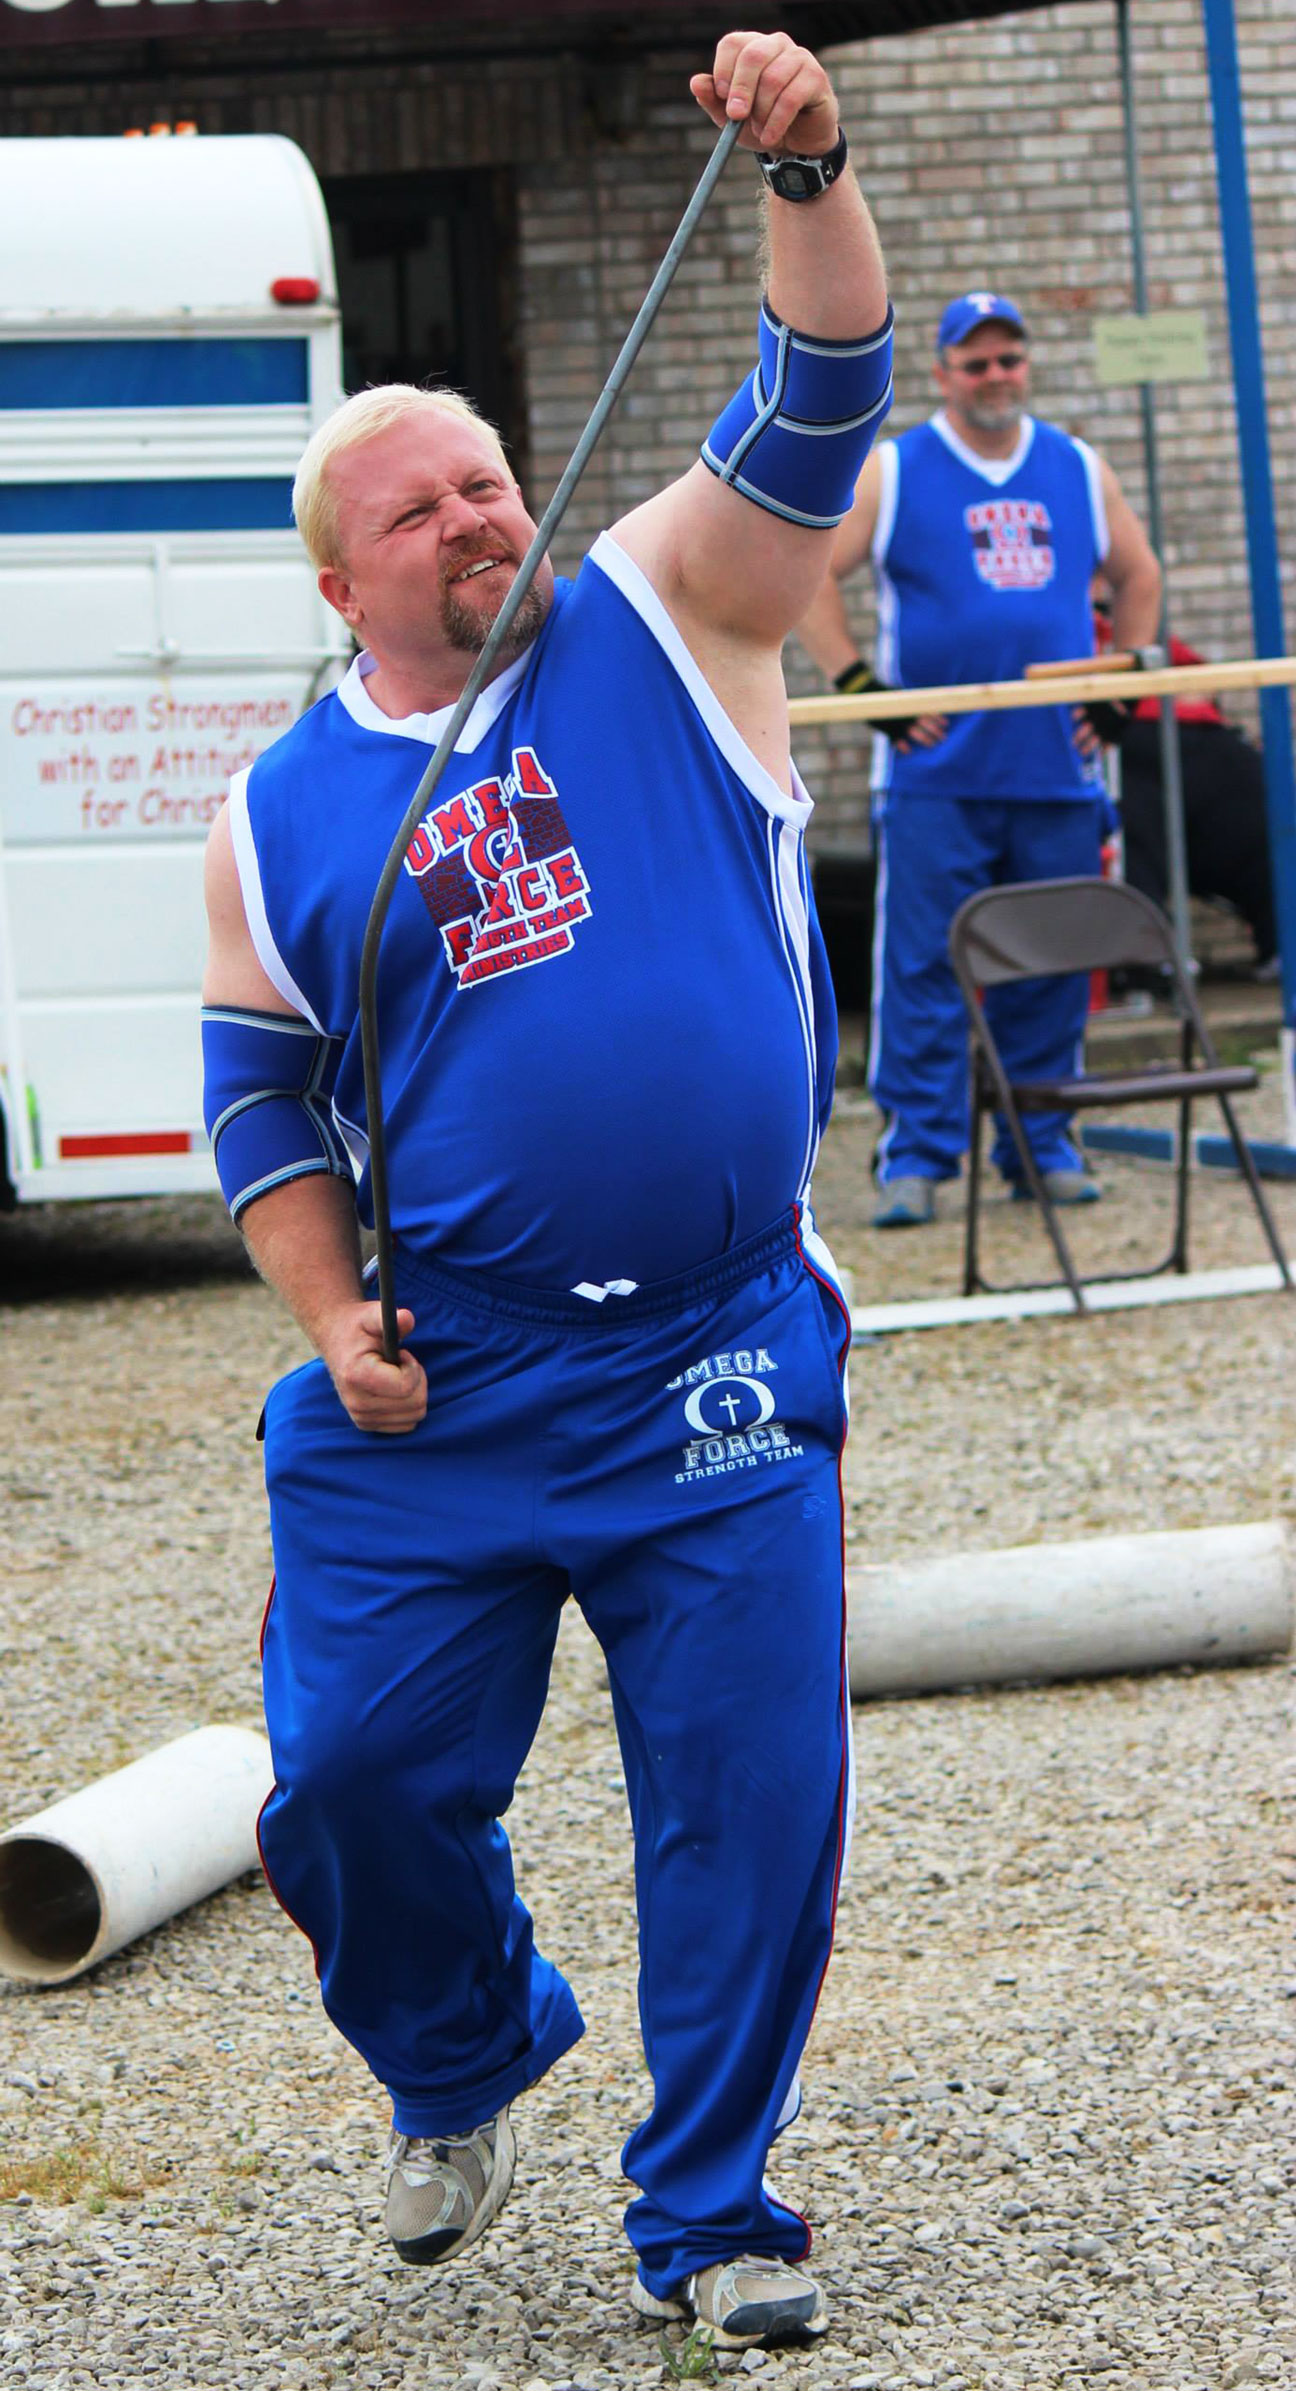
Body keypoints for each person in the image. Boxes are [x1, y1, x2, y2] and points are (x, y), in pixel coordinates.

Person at [200, 31, 893, 2355]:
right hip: (450, 1377)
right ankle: (465, 2042)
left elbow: (818, 402)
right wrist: (327, 1314)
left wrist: (807, 165)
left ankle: (714, 2213)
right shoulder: (277, 813)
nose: (481, 516)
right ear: (342, 580)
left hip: (712, 1343)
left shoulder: (670, 611)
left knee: (749, 1795)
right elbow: (261, 1099)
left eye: (491, 477)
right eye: (425, 509)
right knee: (352, 1780)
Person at [797, 290, 1162, 1227]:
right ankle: (916, 1154)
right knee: (924, 967)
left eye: (1010, 358)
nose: (996, 376)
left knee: (1053, 961)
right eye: (977, 362)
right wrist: (863, 689)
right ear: (944, 373)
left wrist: (1122, 689)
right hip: (936, 778)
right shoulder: (896, 469)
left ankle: (1042, 1145)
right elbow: (809, 578)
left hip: (1055, 770)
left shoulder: (1076, 465)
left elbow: (1140, 575)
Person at [1096, 611, 1278, 976]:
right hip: (1131, 746)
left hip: (1197, 744)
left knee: (1271, 817)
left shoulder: (1135, 620)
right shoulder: (1067, 623)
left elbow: (1201, 682)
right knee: (1133, 830)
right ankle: (1149, 959)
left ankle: (1279, 943)